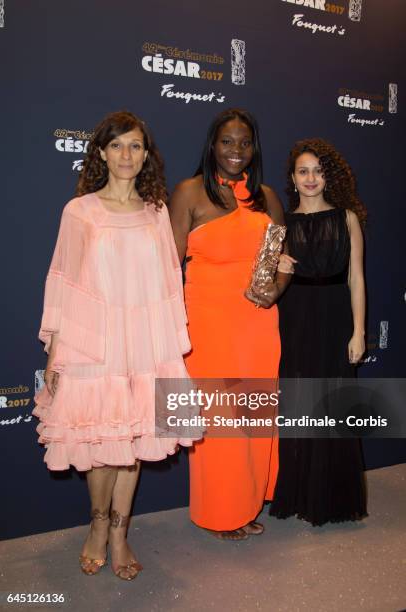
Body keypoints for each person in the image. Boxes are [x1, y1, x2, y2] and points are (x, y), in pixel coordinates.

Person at [33, 111, 197, 579]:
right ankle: (98, 526)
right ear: (102, 153)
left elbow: (170, 281)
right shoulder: (79, 211)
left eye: (136, 146)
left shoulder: (157, 211)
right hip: (93, 343)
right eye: (118, 145)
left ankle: (121, 533)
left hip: (144, 345)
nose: (127, 155)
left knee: (133, 441)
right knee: (100, 442)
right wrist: (55, 352)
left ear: (147, 155)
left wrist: (170, 347)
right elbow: (62, 284)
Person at [169, 108, 291, 540]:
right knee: (221, 423)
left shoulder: (269, 198)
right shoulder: (188, 193)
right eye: (227, 141)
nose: (235, 151)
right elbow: (168, 263)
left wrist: (276, 289)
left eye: (244, 142)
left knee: (253, 418)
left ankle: (246, 503)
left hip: (257, 324)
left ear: (254, 147)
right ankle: (220, 510)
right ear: (212, 145)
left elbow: (280, 260)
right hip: (208, 324)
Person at [269, 138, 368, 526]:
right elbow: (264, 280)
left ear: (328, 177)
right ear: (292, 178)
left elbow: (357, 278)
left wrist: (359, 331)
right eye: (303, 171)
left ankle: (332, 499)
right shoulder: (281, 225)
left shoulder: (346, 219)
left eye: (318, 171)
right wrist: (276, 262)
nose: (311, 178)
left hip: (335, 316)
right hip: (294, 318)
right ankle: (298, 493)